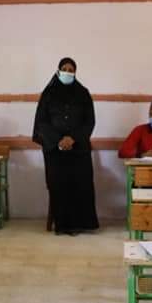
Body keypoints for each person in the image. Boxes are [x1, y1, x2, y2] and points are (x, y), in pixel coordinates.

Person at [32, 57, 99, 235]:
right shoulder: (48, 94)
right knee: (59, 184)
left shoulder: (83, 93)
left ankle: (82, 224)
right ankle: (63, 225)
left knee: (82, 184)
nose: (67, 72)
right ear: (58, 71)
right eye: (64, 69)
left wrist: (73, 138)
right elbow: (42, 122)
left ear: (75, 73)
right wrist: (58, 140)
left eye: (71, 70)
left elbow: (89, 121)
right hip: (55, 150)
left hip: (79, 148)